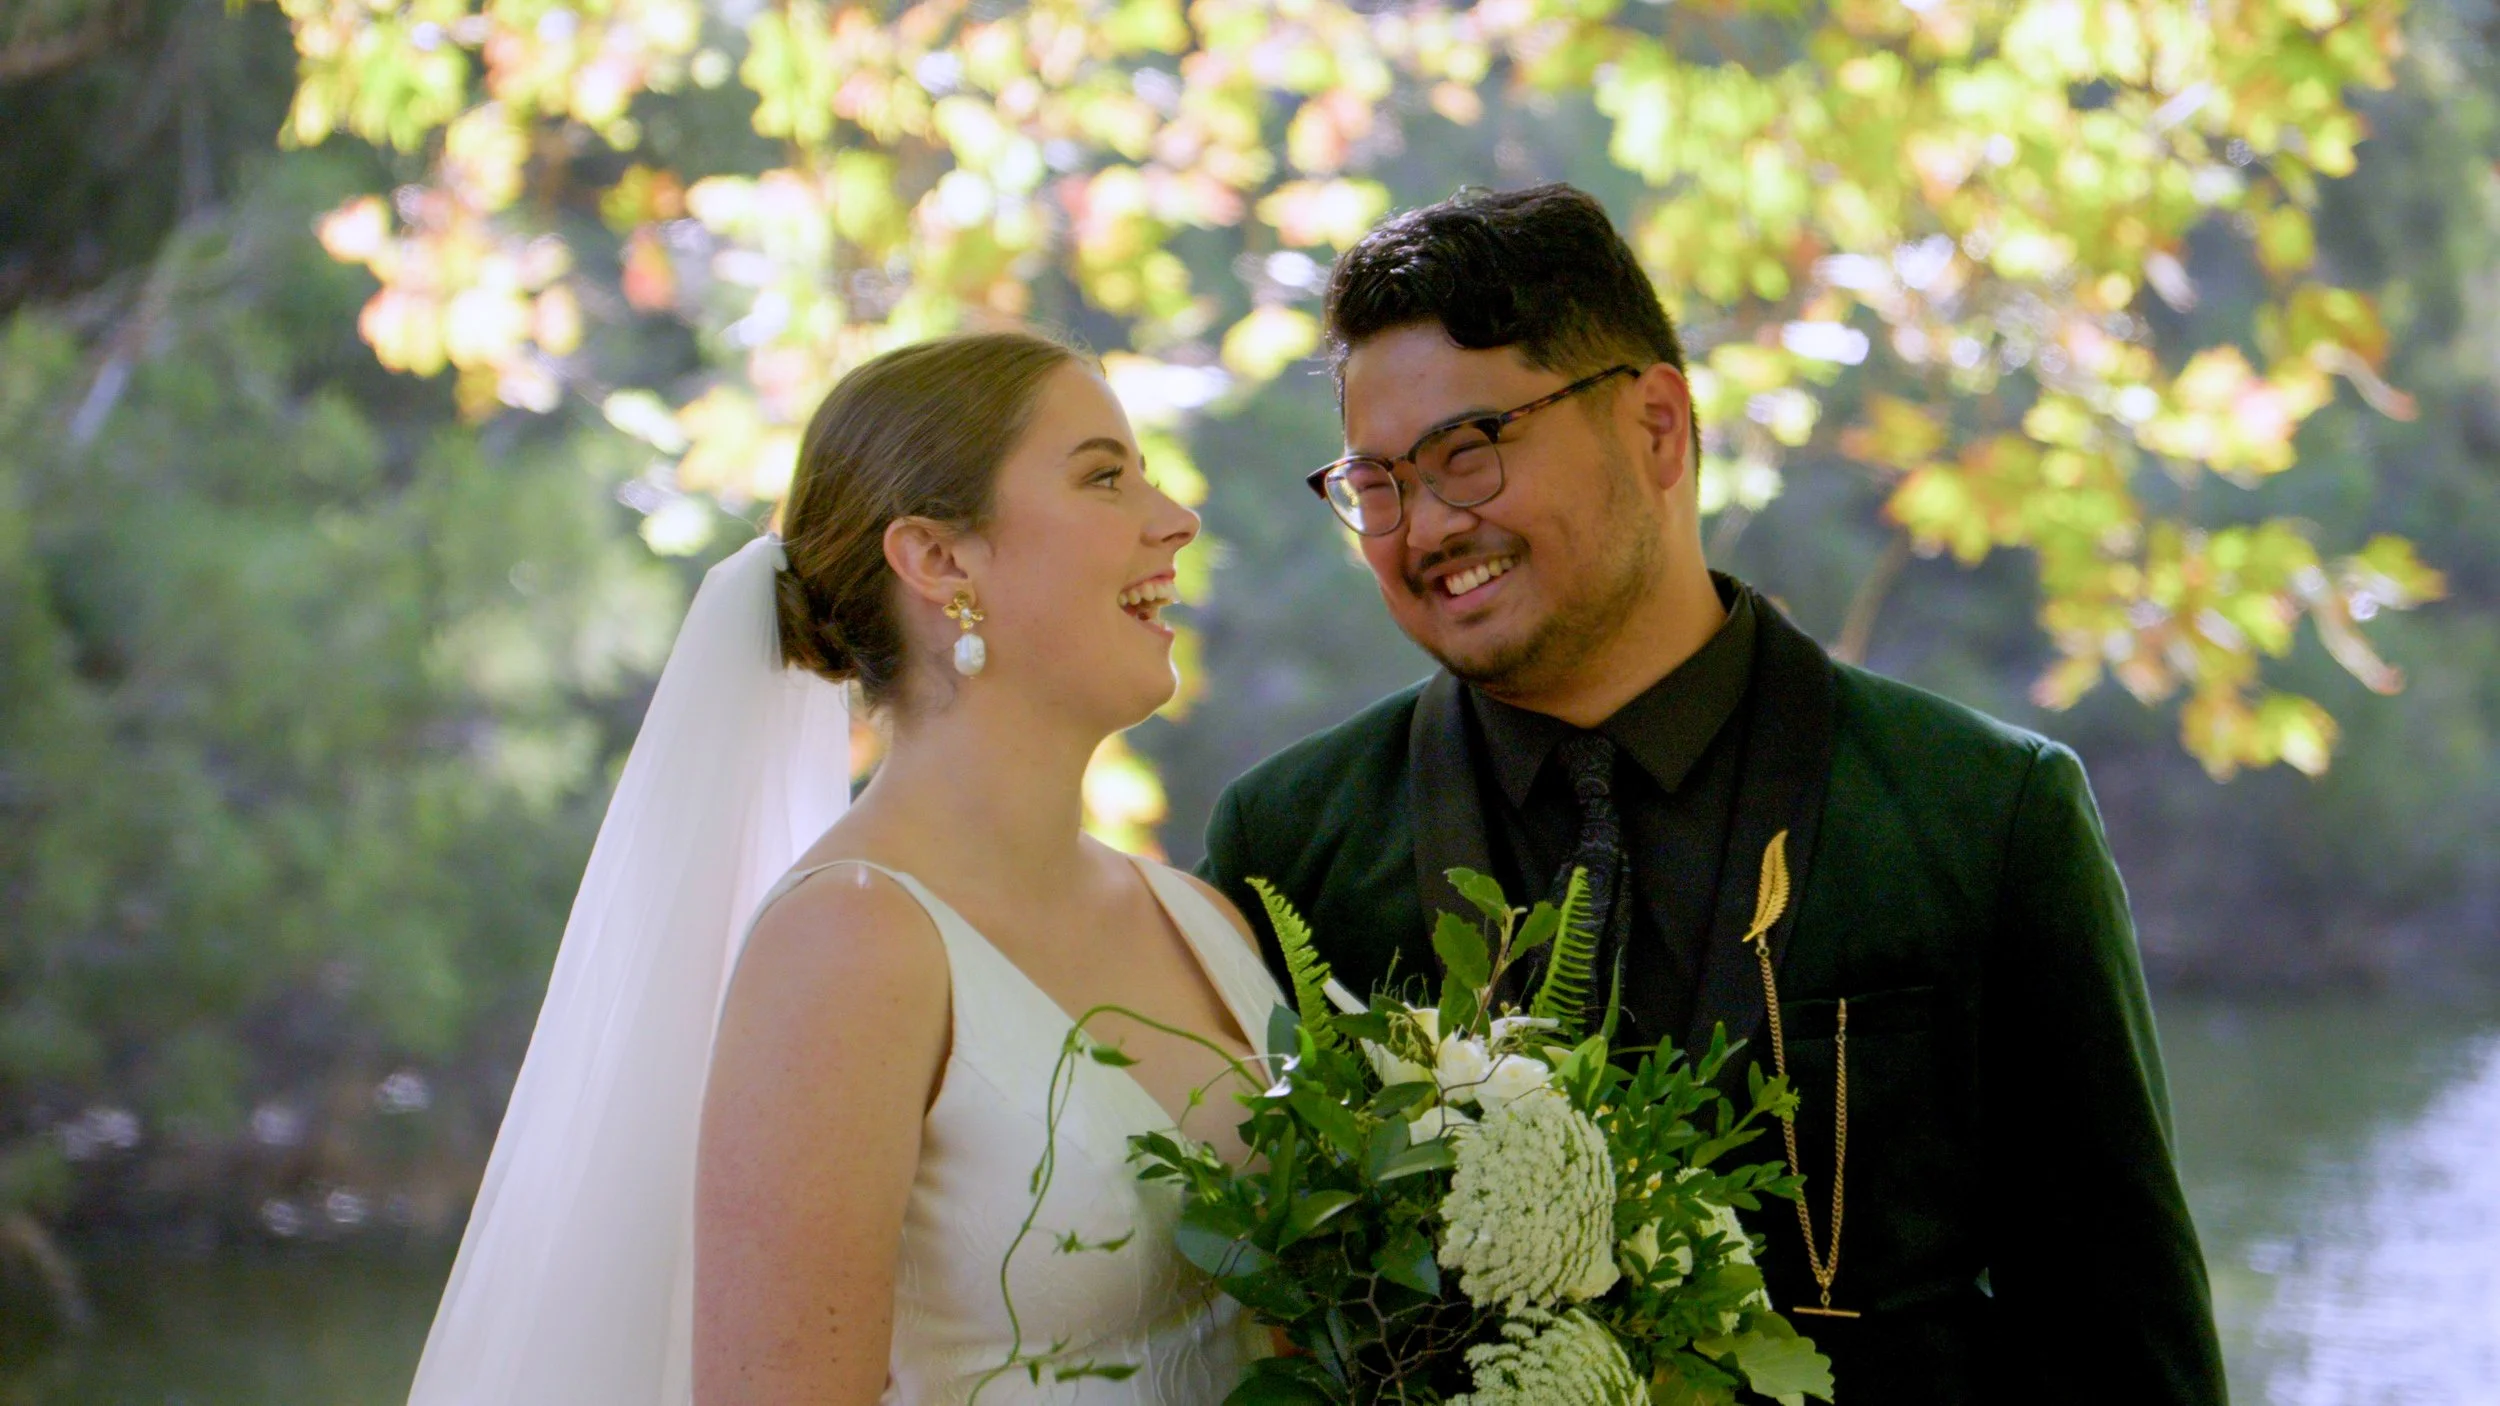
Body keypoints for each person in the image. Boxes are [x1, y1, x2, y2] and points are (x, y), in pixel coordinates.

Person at [1198, 185, 2229, 1405]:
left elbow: (2125, 1341)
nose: (1421, 526)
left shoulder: (1985, 810)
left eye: (1465, 455)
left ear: (1658, 426)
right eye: (1375, 484)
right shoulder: (1287, 842)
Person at [406, 331, 1279, 1406]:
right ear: (939, 559)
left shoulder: (1201, 921)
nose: (1174, 518)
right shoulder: (853, 947)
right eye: (1105, 475)